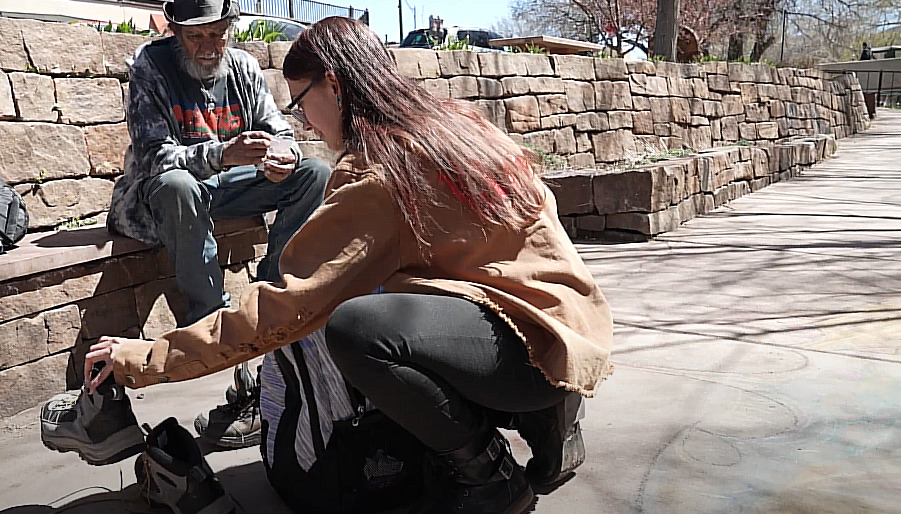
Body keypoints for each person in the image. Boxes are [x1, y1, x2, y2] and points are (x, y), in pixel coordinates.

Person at [89, 16, 613, 513]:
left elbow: (282, 310)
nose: (301, 120)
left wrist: (145, 358)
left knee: (361, 330)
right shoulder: (459, 126)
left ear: (334, 87)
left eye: (300, 102)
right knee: (399, 296)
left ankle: (490, 478)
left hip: (521, 349)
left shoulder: (378, 173)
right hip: (570, 327)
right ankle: (545, 415)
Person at [106, 0, 331, 450]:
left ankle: (274, 298)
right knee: (179, 186)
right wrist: (219, 154)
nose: (208, 46)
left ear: (229, 27)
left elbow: (280, 129)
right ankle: (209, 322)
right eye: (196, 37)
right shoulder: (151, 66)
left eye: (216, 34)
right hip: (165, 192)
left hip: (227, 185)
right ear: (176, 33)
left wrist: (282, 155)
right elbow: (152, 158)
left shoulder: (244, 67)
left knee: (315, 173)